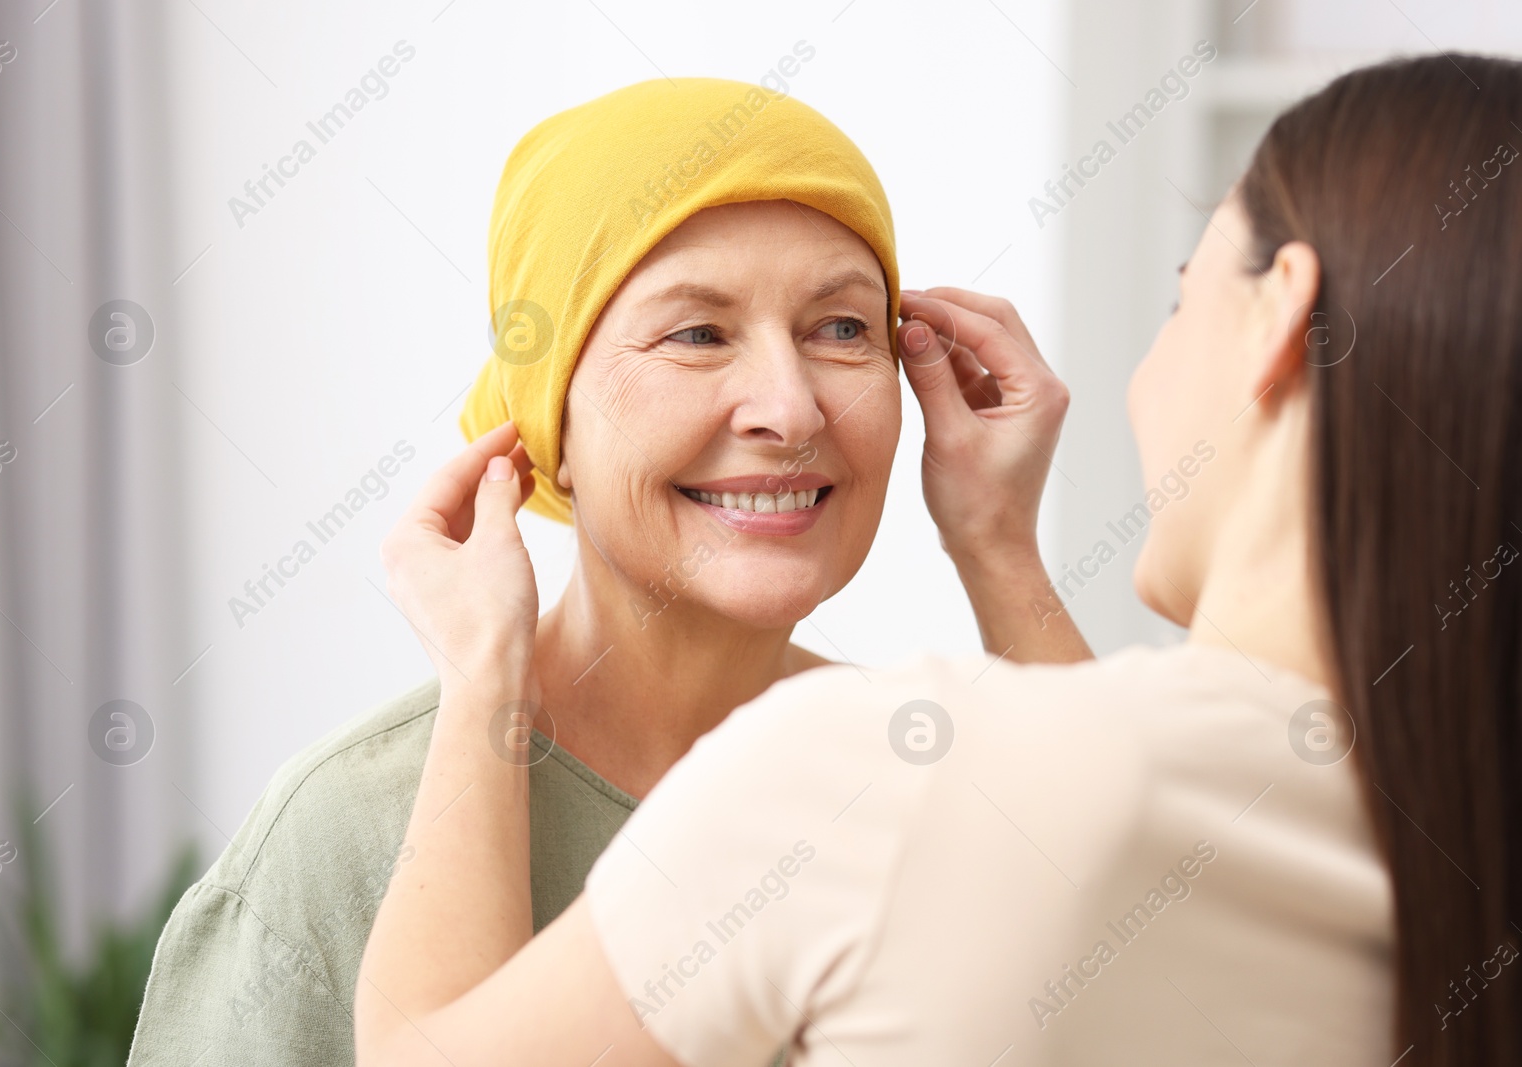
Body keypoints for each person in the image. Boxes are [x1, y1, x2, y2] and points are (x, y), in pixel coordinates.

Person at [354, 54, 1522, 1066]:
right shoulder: (1441, 827)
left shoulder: (862, 782)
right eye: (698, 329)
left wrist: (484, 672)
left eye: (1181, 295)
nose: (788, 403)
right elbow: (1123, 843)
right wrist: (997, 543)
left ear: (1281, 318)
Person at [128, 78, 1080, 1066]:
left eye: (840, 328)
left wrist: (995, 535)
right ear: (552, 424)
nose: (789, 410)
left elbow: (1152, 938)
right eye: (698, 333)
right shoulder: (343, 836)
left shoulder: (927, 778)